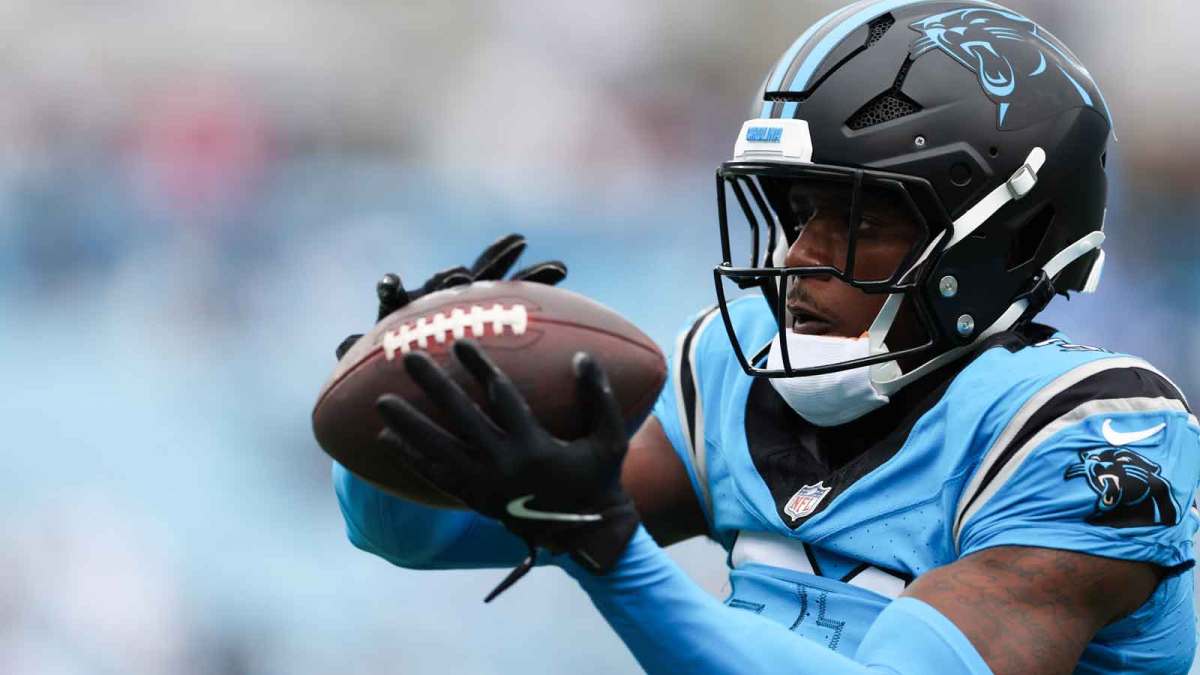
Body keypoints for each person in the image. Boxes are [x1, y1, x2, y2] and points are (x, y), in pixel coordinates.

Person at [331, 2, 1200, 673]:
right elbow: (418, 537)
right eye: (798, 208)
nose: (802, 255)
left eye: (863, 218)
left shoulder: (1092, 436)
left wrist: (605, 543)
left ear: (998, 242)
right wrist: (400, 409)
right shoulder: (738, 365)